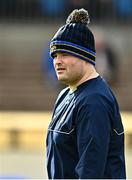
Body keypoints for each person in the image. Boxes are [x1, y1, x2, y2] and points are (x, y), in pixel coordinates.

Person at [46, 8, 126, 179]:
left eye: (65, 54)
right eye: (54, 55)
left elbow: (90, 173)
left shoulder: (94, 101)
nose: (57, 61)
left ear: (85, 56)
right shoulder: (65, 95)